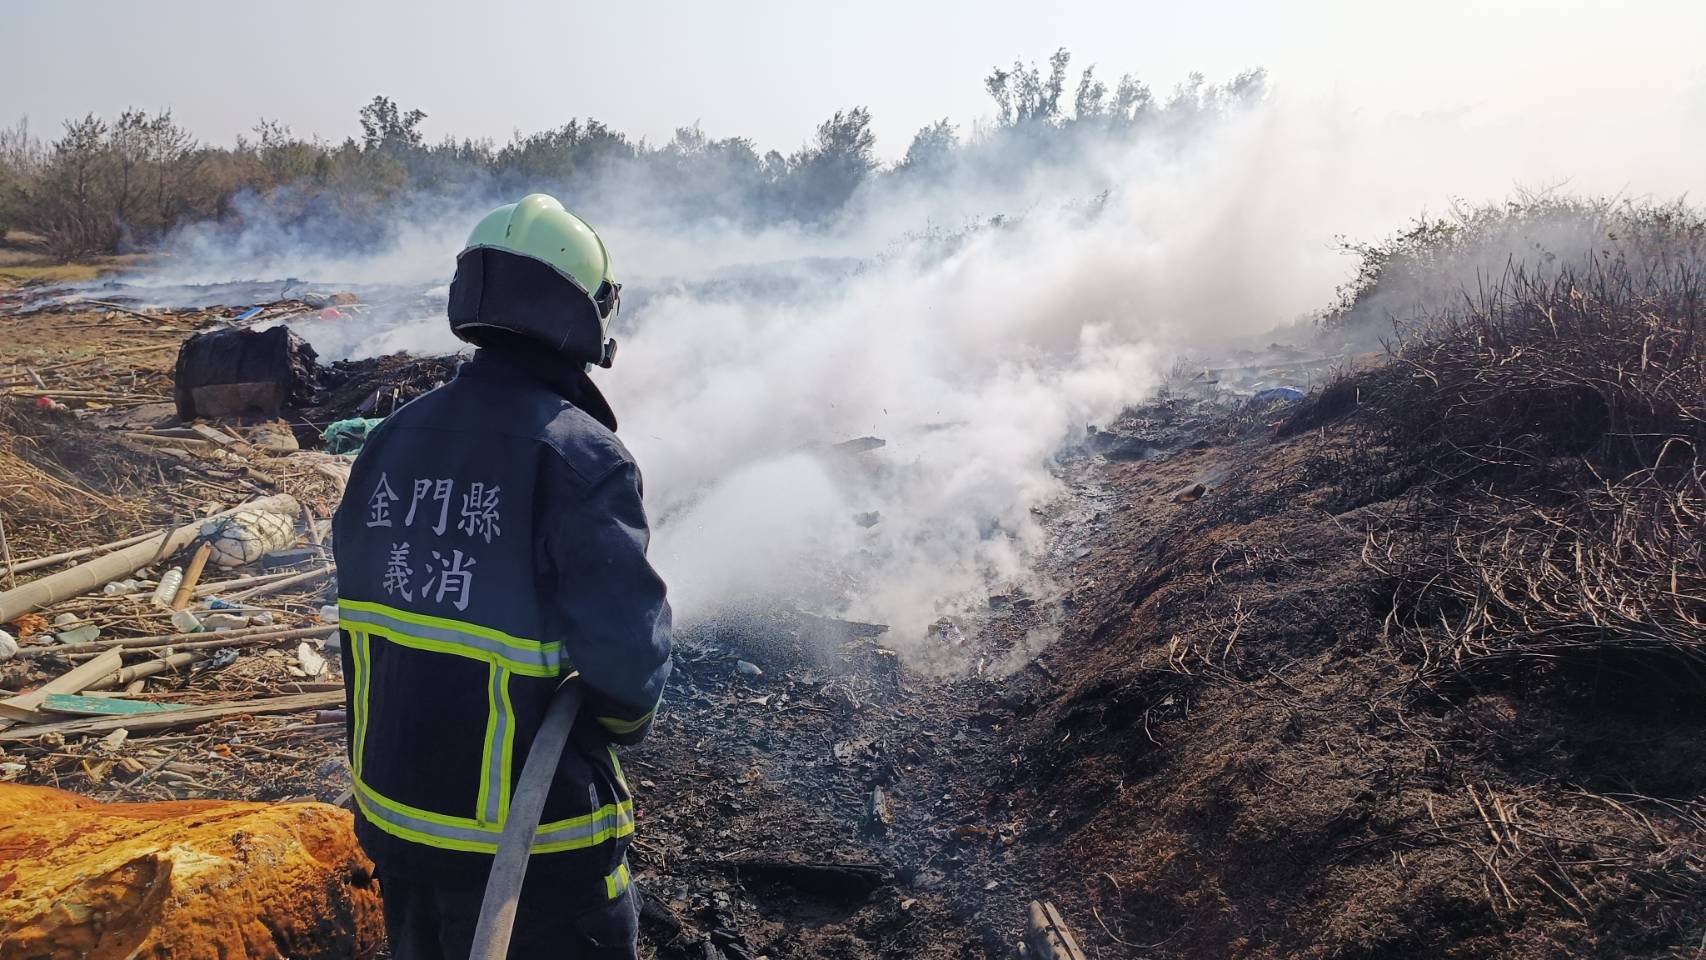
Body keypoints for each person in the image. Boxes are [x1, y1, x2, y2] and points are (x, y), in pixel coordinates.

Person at [332, 193, 672, 959]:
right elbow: (630, 666)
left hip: (396, 830)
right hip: (532, 857)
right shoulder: (581, 459)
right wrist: (604, 726)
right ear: (584, 314)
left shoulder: (388, 442)